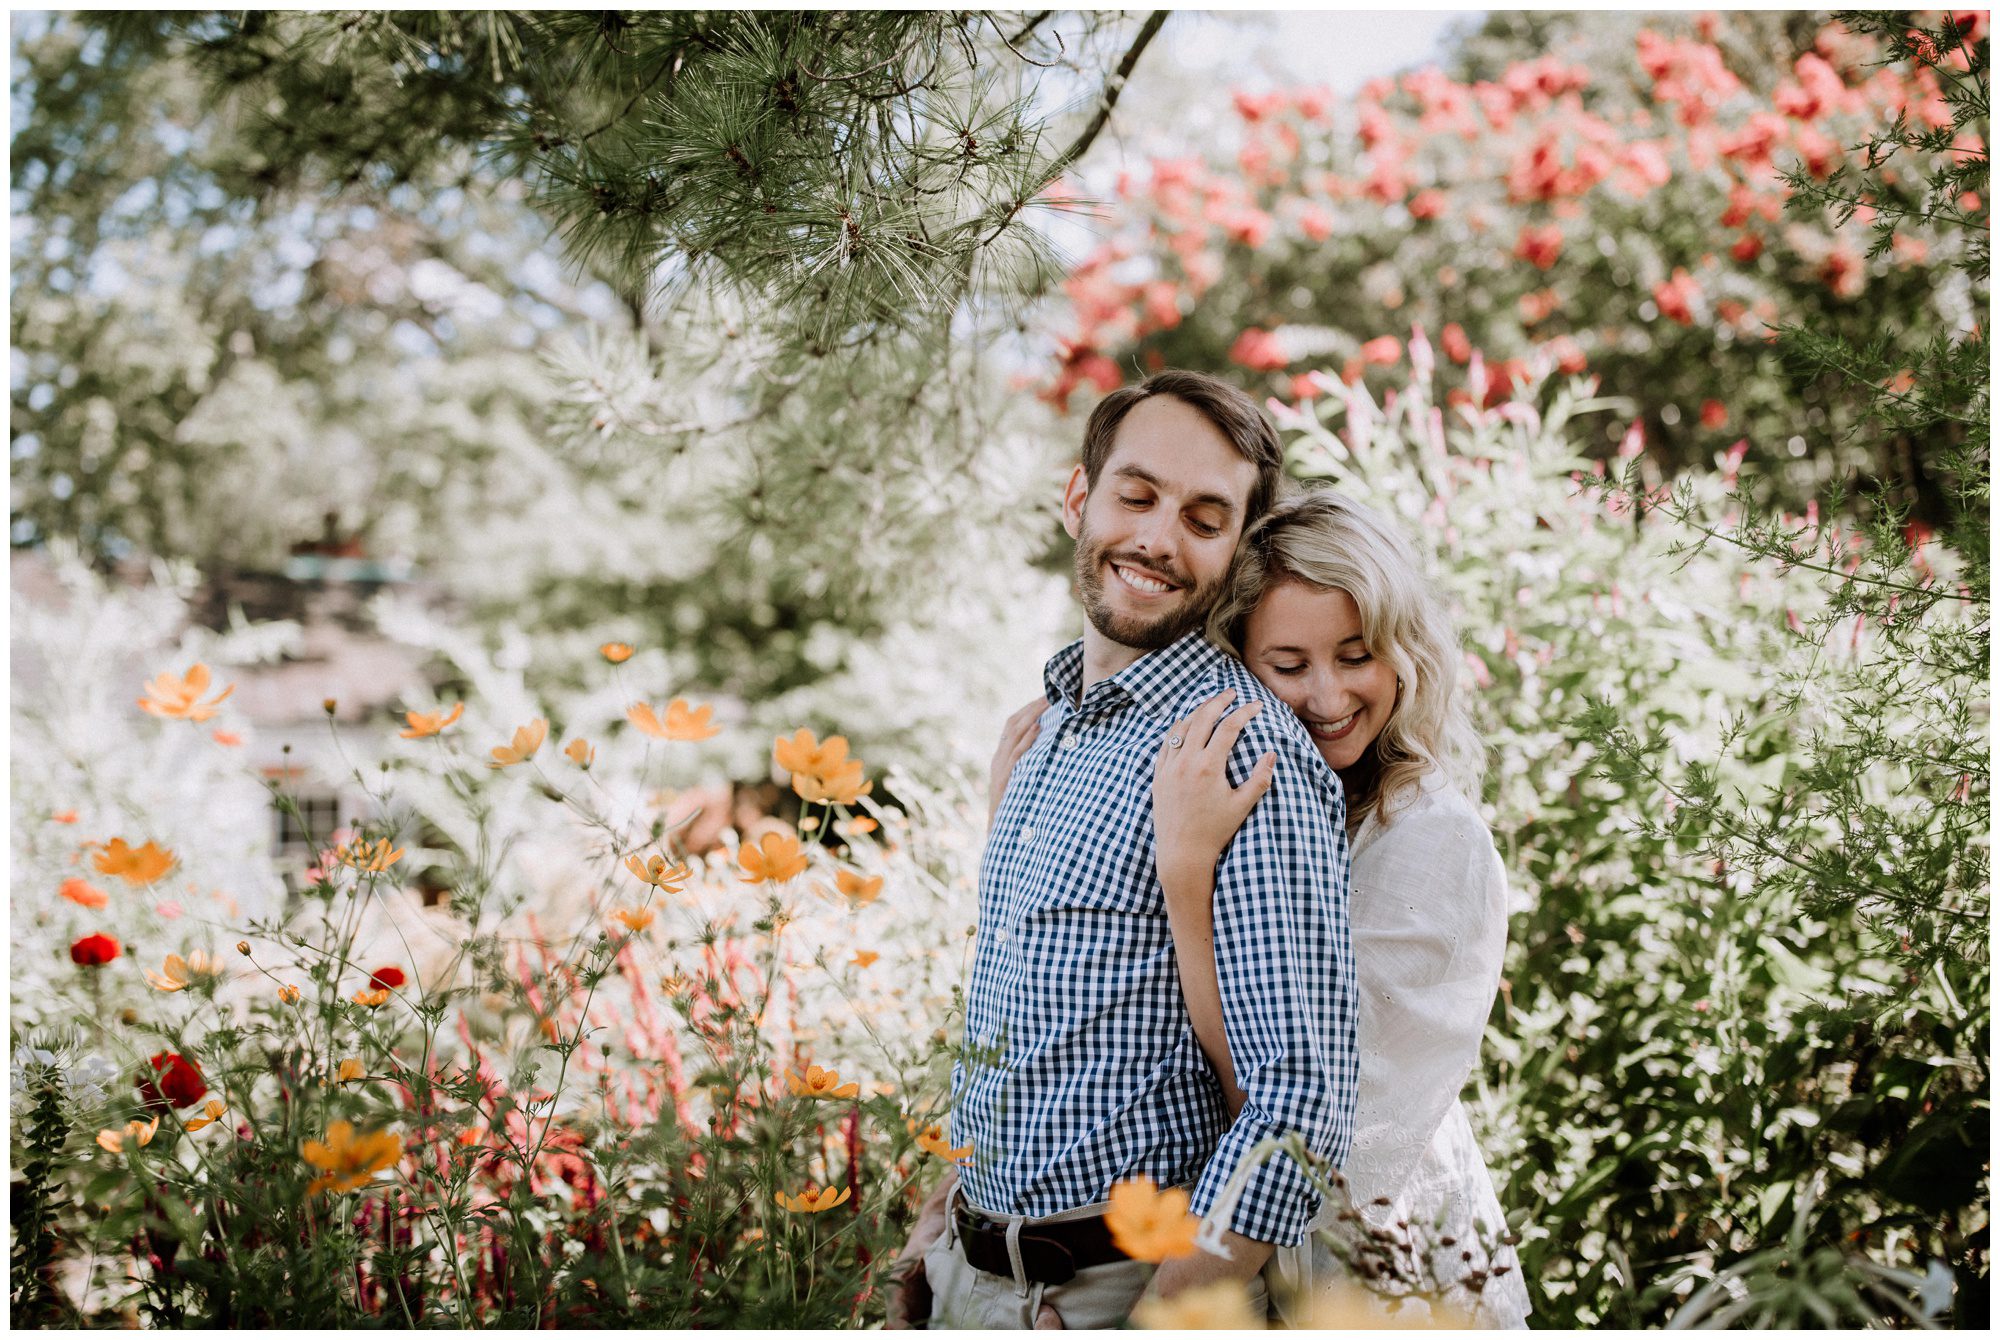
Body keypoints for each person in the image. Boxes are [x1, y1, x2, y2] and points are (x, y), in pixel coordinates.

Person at [885, 370, 1360, 1329]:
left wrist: (1164, 1318)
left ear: (1236, 553)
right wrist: (928, 1239)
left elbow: (1299, 1100)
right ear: (1078, 499)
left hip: (1117, 1293)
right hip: (966, 1283)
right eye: (1136, 496)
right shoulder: (1045, 731)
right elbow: (1013, 1020)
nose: (1156, 538)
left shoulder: (1240, 755)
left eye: (1203, 516)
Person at [1148, 489, 1531, 1326]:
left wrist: (1185, 877)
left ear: (1406, 653)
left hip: (1375, 1275)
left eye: (1357, 656)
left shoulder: (1429, 841)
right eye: (1288, 667)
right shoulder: (1272, 800)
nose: (1326, 697)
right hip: (1252, 1248)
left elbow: (1294, 1111)